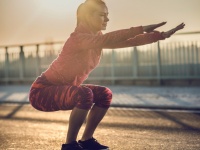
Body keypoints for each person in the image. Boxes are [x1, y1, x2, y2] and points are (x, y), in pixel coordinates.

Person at [29, 0, 185, 149]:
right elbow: (110, 38)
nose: (107, 19)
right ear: (87, 16)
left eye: (107, 14)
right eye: (102, 15)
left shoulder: (97, 40)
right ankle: (69, 145)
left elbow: (127, 41)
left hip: (65, 88)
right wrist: (142, 28)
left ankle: (87, 141)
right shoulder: (78, 39)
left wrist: (160, 36)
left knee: (104, 94)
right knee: (84, 94)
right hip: (42, 91)